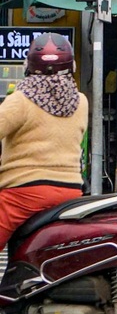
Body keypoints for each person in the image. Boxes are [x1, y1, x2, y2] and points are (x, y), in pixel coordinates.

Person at [0, 33, 88, 250]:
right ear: (72, 67)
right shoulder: (81, 101)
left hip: (23, 194)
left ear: (28, 66)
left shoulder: (20, 101)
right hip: (70, 191)